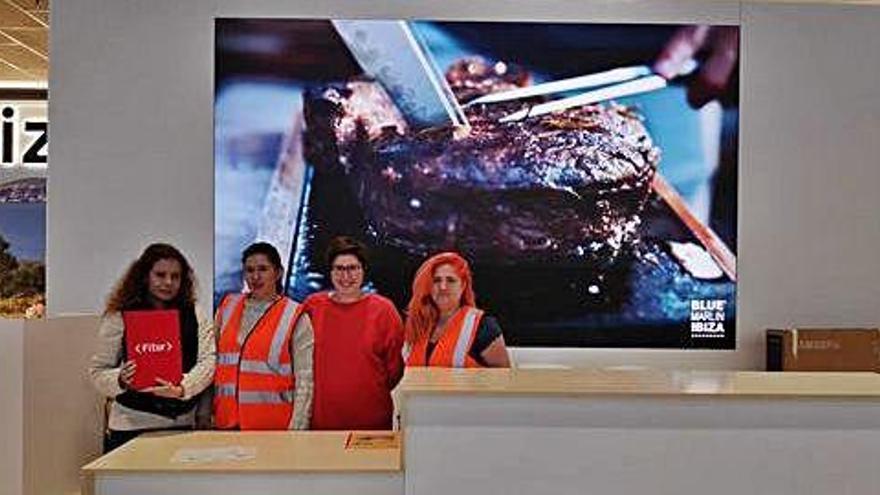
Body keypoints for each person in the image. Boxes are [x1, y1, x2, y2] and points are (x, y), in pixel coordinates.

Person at [89, 243, 216, 452]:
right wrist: (120, 379)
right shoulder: (119, 315)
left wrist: (182, 388)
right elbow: (98, 371)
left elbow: (208, 361)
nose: (168, 282)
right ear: (145, 276)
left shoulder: (195, 312)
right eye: (160, 274)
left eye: (175, 276)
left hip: (182, 425)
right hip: (129, 427)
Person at [303, 236, 405, 430]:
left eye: (352, 268)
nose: (346, 276)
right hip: (322, 423)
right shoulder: (312, 307)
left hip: (371, 423)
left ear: (363, 270)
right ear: (330, 271)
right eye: (339, 268)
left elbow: (394, 370)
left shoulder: (384, 311)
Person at [213, 242, 313, 430]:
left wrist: (297, 429)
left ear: (278, 273)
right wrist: (205, 415)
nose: (255, 277)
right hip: (226, 426)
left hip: (274, 430)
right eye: (249, 270)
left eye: (263, 269)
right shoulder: (226, 309)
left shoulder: (295, 316)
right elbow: (212, 367)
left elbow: (305, 381)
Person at [404, 252, 510, 368]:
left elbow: (503, 380)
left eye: (451, 280)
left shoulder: (484, 326)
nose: (443, 287)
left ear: (463, 285)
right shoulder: (416, 323)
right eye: (436, 280)